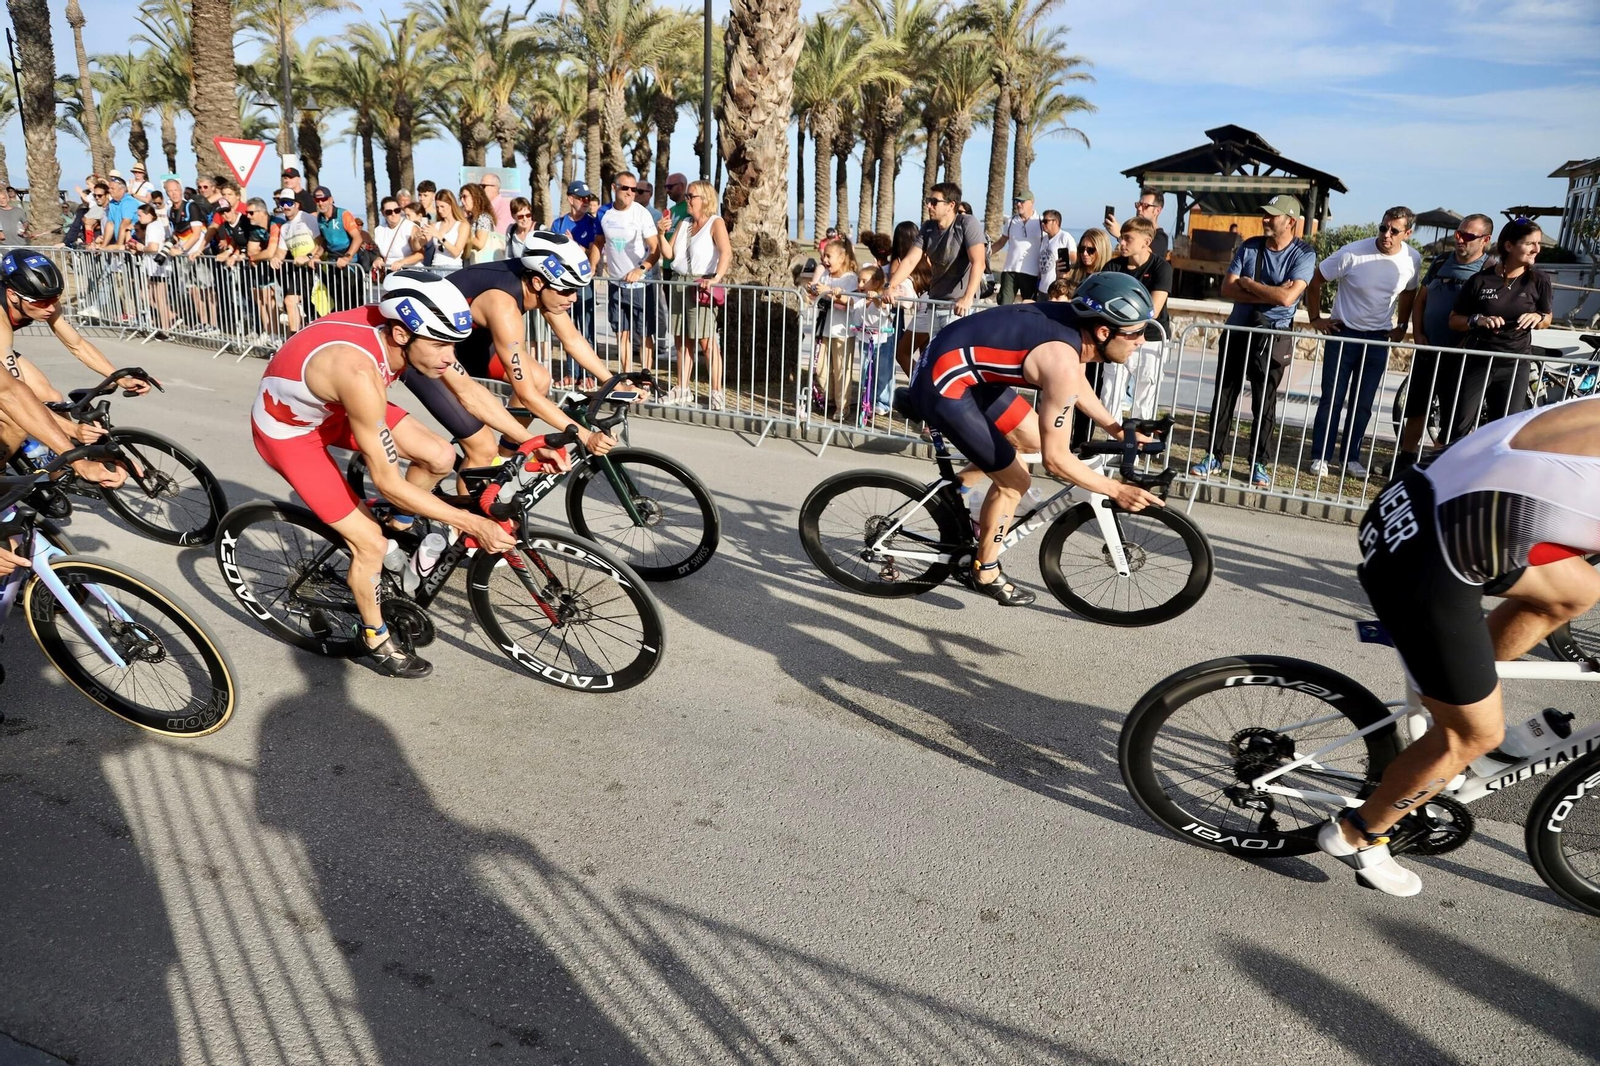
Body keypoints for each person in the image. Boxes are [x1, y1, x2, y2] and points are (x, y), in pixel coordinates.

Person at [1325, 396, 1600, 895]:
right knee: (1474, 734)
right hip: (1432, 552)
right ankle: (1359, 833)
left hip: (1417, 504)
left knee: (1578, 590)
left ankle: (1457, 699)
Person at [250, 272, 521, 678]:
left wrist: (531, 442)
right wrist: (472, 523)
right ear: (399, 334)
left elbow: (470, 393)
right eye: (441, 345)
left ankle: (398, 524)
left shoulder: (414, 337)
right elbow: (390, 481)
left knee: (440, 456)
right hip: (291, 432)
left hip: (334, 409)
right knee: (371, 545)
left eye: (454, 344)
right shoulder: (359, 372)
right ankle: (373, 637)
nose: (450, 357)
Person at [906, 271, 1166, 605]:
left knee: (1031, 439)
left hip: (962, 368)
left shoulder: (1076, 332)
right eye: (1135, 333)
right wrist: (1116, 489)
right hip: (944, 384)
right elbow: (1056, 461)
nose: (1141, 341)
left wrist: (1115, 427)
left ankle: (958, 496)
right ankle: (984, 570)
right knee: (1015, 482)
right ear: (1103, 331)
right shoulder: (1062, 360)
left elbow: (1074, 385)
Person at [395, 234, 620, 475]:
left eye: (576, 290)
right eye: (567, 290)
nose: (573, 298)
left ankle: (504, 459)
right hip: (426, 355)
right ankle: (415, 509)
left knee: (540, 378)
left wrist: (614, 382)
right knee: (481, 448)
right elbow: (526, 396)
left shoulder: (545, 286)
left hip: (466, 345)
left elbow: (572, 339)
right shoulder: (504, 306)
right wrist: (585, 436)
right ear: (536, 283)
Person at [1191, 195, 1316, 488]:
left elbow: (1288, 298)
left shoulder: (1303, 254)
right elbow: (1227, 288)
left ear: (1291, 222)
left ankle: (1259, 463)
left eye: (1273, 215)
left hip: (1273, 336)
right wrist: (1264, 291)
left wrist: (1248, 283)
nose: (1265, 219)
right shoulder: (1249, 246)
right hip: (1238, 330)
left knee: (1264, 402)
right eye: (1265, 214)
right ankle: (1214, 456)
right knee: (1224, 396)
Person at [1306, 207, 1421, 477]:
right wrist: (1315, 318)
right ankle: (1320, 456)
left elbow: (1410, 291)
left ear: (1408, 233)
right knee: (1331, 399)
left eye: (1394, 231)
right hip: (1344, 334)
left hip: (1378, 339)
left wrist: (1402, 325)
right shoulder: (1351, 252)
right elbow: (1315, 278)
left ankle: (1350, 458)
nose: (1386, 235)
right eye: (1383, 228)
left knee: (1364, 402)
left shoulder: (1412, 259)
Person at [0, 253, 157, 412]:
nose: (51, 308)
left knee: (52, 399)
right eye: (41, 302)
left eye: (54, 299)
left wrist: (121, 379)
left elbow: (78, 345)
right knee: (18, 411)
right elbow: (18, 393)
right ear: (13, 296)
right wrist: (73, 431)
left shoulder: (44, 303)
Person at [1398, 213, 1496, 464]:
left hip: (1461, 356)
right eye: (1458, 234)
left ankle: (1440, 465)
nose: (1460, 240)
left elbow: (1488, 313)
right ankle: (1405, 460)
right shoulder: (1441, 260)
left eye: (1468, 236)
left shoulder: (1490, 269)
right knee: (1417, 407)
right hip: (1428, 348)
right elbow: (1421, 298)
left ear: (1485, 239)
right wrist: (1418, 333)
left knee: (1453, 415)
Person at [1445, 217, 1553, 422]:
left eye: (1539, 243)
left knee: (1503, 429)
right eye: (1530, 243)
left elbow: (1547, 318)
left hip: (1516, 364)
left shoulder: (1540, 280)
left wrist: (1537, 316)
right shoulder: (1480, 280)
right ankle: (1444, 455)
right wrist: (1477, 320)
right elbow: (1454, 320)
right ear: (1509, 246)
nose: (1537, 249)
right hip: (1479, 361)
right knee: (1457, 426)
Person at [883, 181, 986, 342]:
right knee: (936, 358)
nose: (929, 206)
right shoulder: (928, 227)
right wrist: (891, 286)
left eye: (934, 202)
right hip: (935, 303)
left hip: (958, 308)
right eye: (928, 201)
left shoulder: (966, 223)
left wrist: (967, 298)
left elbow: (978, 262)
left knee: (952, 358)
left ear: (950, 205)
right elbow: (910, 261)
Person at [661, 179, 731, 409]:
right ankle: (682, 388)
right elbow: (669, 253)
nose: (687, 200)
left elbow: (726, 253)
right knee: (681, 340)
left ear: (705, 199)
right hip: (680, 283)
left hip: (701, 285)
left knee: (707, 341)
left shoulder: (715, 222)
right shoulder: (683, 223)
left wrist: (716, 278)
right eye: (688, 196)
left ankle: (717, 392)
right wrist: (661, 234)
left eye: (691, 196)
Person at [1099, 216, 1173, 421]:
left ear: (1146, 242)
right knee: (1110, 394)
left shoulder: (1161, 268)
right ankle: (1111, 447)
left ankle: (1138, 450)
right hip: (1118, 339)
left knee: (1144, 399)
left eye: (1127, 239)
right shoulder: (1113, 267)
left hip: (1150, 341)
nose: (1121, 243)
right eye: (1121, 238)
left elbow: (1153, 311)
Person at [599, 171, 660, 373]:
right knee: (621, 332)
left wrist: (640, 269)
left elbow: (655, 249)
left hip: (641, 284)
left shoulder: (641, 213)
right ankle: (625, 376)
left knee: (644, 333)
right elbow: (598, 243)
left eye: (634, 189)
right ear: (614, 188)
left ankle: (645, 376)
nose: (630, 193)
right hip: (616, 283)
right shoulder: (603, 213)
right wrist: (591, 268)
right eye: (625, 188)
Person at [550, 180, 603, 373]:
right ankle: (573, 373)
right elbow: (552, 253)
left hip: (584, 282)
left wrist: (577, 247)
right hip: (564, 284)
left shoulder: (593, 223)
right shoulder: (559, 223)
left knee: (587, 329)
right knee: (568, 329)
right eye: (581, 198)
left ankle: (589, 373)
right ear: (571, 199)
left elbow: (597, 252)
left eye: (588, 198)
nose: (586, 201)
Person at [806, 237, 860, 422]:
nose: (825, 260)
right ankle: (828, 399)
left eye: (829, 256)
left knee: (842, 371)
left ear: (841, 258)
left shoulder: (850, 278)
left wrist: (828, 291)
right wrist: (813, 292)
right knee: (820, 369)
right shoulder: (825, 276)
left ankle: (842, 407)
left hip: (843, 331)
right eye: (824, 256)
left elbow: (849, 303)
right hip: (824, 329)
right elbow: (818, 298)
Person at [992, 190, 1042, 304]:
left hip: (1031, 273)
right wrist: (984, 254)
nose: (1018, 204)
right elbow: (1001, 242)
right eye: (1017, 201)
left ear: (1032, 202)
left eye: (1022, 201)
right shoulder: (1010, 221)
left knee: (1030, 308)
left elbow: (1049, 244)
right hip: (1009, 271)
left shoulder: (1040, 221)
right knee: (1004, 307)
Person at [1104, 189, 1170, 261]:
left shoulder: (1161, 238)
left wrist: (1119, 235)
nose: (1139, 208)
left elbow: (1147, 254)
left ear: (1157, 210)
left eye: (1145, 205)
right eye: (1138, 204)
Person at [372, 196, 422, 276]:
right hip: (390, 273)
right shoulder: (379, 230)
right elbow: (380, 253)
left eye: (397, 210)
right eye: (389, 212)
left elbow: (420, 254)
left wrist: (402, 262)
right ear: (383, 213)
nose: (393, 214)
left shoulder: (410, 227)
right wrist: (378, 259)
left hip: (411, 272)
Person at [424, 189, 469, 270]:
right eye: (437, 207)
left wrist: (440, 236)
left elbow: (456, 252)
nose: (440, 210)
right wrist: (418, 236)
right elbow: (421, 244)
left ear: (451, 205)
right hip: (435, 267)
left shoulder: (462, 225)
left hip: (453, 268)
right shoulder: (435, 225)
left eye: (442, 206)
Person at [460, 183, 503, 264]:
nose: (462, 200)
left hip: (482, 264)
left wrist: (463, 235)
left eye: (465, 197)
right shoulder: (470, 219)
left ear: (475, 197)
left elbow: (480, 243)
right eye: (461, 197)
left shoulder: (483, 218)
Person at [1035, 210, 1075, 295]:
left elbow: (1074, 260)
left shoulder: (1065, 237)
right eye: (1042, 221)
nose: (1043, 224)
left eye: (1046, 221)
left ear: (1055, 222)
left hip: (1056, 289)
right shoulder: (1044, 239)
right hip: (1042, 288)